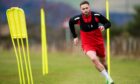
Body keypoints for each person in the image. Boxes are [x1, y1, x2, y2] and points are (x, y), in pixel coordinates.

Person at [69, 1, 114, 84]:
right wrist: (75, 36)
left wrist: (104, 27)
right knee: (93, 59)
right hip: (87, 44)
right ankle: (109, 79)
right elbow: (70, 22)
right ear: (81, 10)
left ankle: (106, 75)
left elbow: (108, 23)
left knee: (103, 62)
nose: (85, 10)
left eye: (86, 8)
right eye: (83, 9)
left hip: (98, 42)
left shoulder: (96, 16)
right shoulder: (78, 19)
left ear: (89, 7)